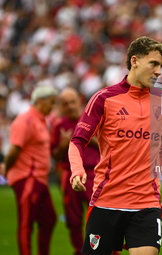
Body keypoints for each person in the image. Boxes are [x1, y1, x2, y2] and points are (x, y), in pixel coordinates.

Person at [69, 36, 162, 255]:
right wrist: (77, 170)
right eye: (153, 64)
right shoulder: (104, 98)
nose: (158, 72)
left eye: (161, 66)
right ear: (134, 61)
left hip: (146, 203)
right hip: (107, 201)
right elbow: (77, 141)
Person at [51, 88, 119, 255]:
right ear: (61, 106)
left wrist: (87, 138)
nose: (70, 106)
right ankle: (79, 250)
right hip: (71, 175)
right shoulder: (59, 126)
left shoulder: (93, 119)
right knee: (73, 219)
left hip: (94, 174)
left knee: (102, 215)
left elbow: (109, 147)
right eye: (65, 104)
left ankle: (110, 250)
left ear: (79, 101)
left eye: (72, 102)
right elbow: (54, 155)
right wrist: (63, 144)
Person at [4, 86, 58, 255]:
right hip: (28, 178)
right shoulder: (25, 120)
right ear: (40, 100)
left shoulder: (41, 120)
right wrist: (6, 169)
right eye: (51, 102)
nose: (52, 107)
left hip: (39, 179)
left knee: (49, 219)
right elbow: (13, 150)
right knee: (26, 224)